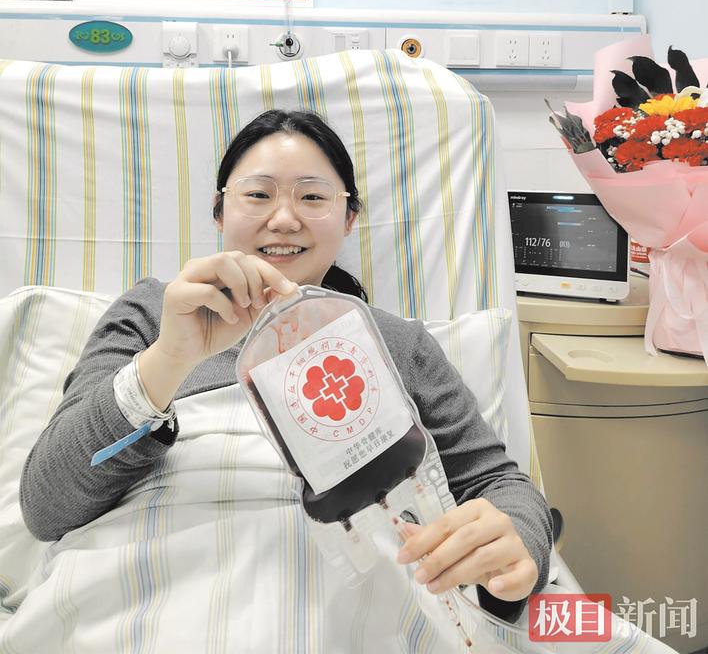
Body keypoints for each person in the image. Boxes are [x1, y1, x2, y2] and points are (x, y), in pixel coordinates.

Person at [20, 108, 552, 626]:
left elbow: (498, 484)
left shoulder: (397, 342)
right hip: (141, 599)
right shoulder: (154, 314)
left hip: (358, 605)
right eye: (258, 194)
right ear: (220, 211)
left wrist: (515, 542)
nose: (283, 218)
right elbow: (47, 506)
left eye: (313, 197)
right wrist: (170, 359)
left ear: (349, 218)